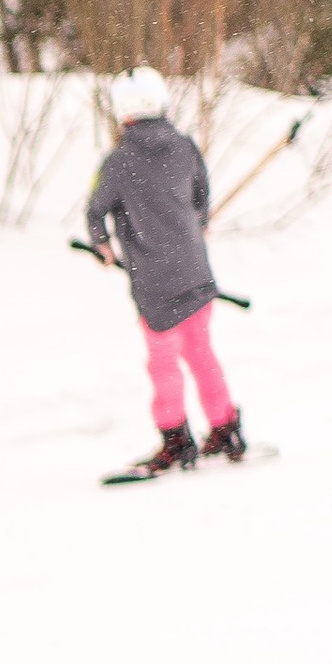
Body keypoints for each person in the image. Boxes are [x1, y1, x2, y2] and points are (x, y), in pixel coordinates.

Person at [84, 65, 247, 473]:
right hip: (194, 270)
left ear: (123, 111)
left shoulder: (118, 161)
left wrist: (102, 247)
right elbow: (202, 199)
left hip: (155, 283)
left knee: (163, 363)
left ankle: (176, 440)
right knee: (201, 353)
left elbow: (94, 211)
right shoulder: (185, 147)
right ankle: (226, 428)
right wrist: (197, 226)